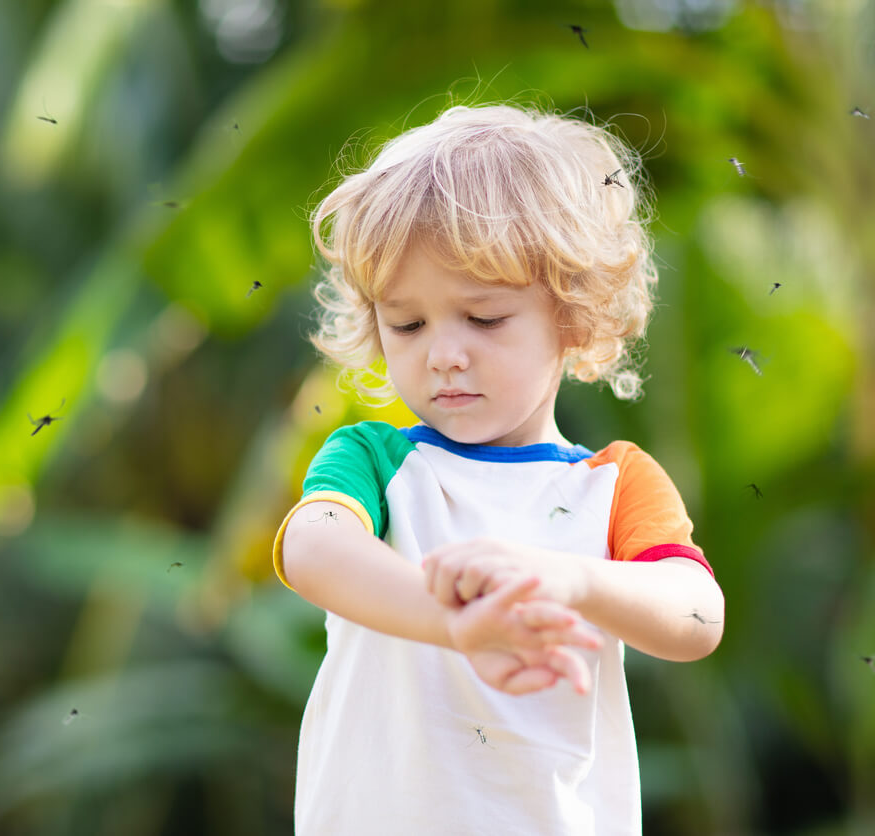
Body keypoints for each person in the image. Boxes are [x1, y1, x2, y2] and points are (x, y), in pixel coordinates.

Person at [273, 103, 724, 835]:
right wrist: (459, 623)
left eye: (483, 319)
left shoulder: (613, 484)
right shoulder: (376, 460)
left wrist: (574, 579)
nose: (443, 353)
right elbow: (313, 549)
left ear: (574, 317)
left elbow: (698, 617)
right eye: (408, 323)